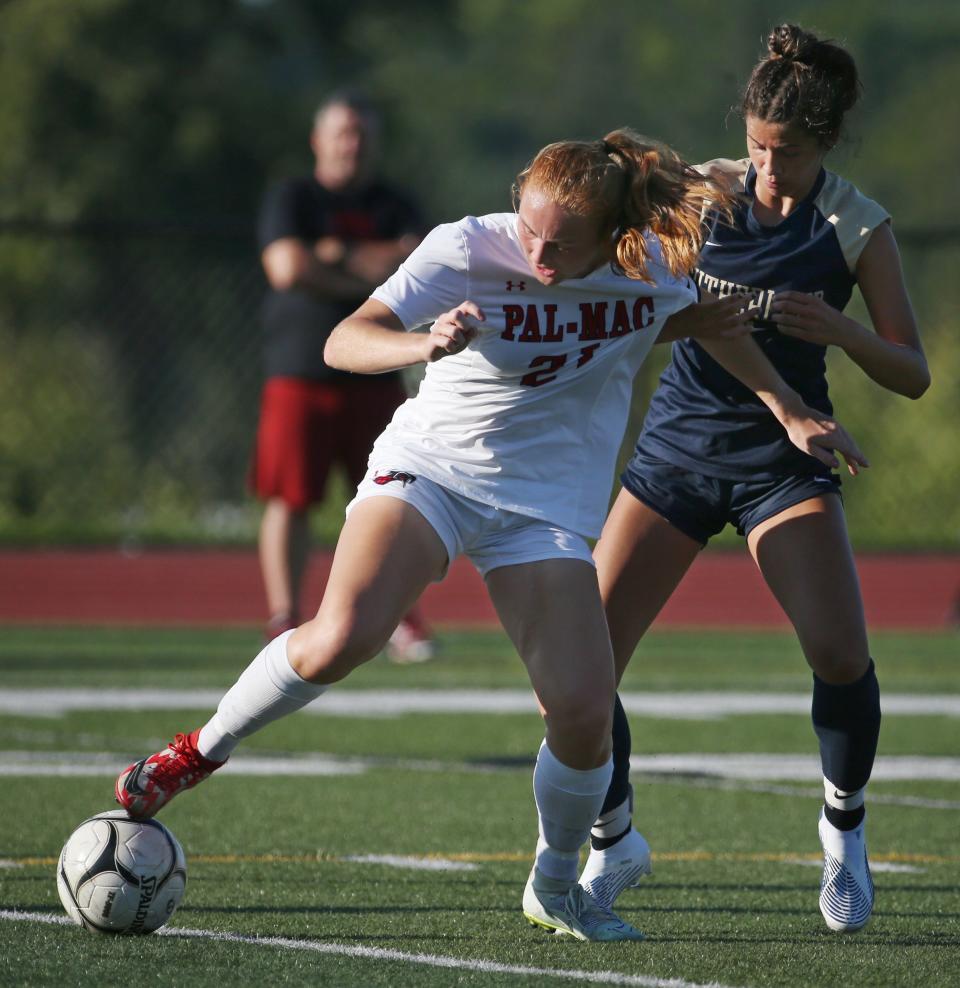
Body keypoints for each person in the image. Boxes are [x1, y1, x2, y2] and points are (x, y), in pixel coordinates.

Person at [116, 128, 865, 942]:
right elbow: (344, 339)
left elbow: (701, 322)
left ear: (613, 236)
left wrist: (789, 408)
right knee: (341, 638)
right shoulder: (465, 247)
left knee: (581, 712)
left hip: (542, 506)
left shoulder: (649, 264)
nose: (539, 254)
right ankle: (196, 751)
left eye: (561, 244)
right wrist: (421, 342)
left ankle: (554, 885)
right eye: (531, 230)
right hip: (432, 470)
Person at [577, 25, 929, 935]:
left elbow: (911, 370)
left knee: (841, 655)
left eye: (792, 154)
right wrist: (782, 400)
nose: (770, 168)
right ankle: (614, 838)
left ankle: (843, 835)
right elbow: (673, 314)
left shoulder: (857, 224)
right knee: (581, 666)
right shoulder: (705, 193)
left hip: (785, 466)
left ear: (827, 145)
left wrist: (842, 334)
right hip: (679, 451)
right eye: (761, 146)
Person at [252, 89, 435, 661]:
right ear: (318, 140)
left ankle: (397, 618)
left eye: (361, 133)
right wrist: (367, 272)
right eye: (342, 132)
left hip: (378, 370)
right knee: (291, 496)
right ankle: (284, 617)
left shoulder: (396, 202)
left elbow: (418, 264)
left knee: (394, 494)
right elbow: (287, 268)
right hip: (301, 367)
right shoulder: (293, 197)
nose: (352, 144)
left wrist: (331, 256)